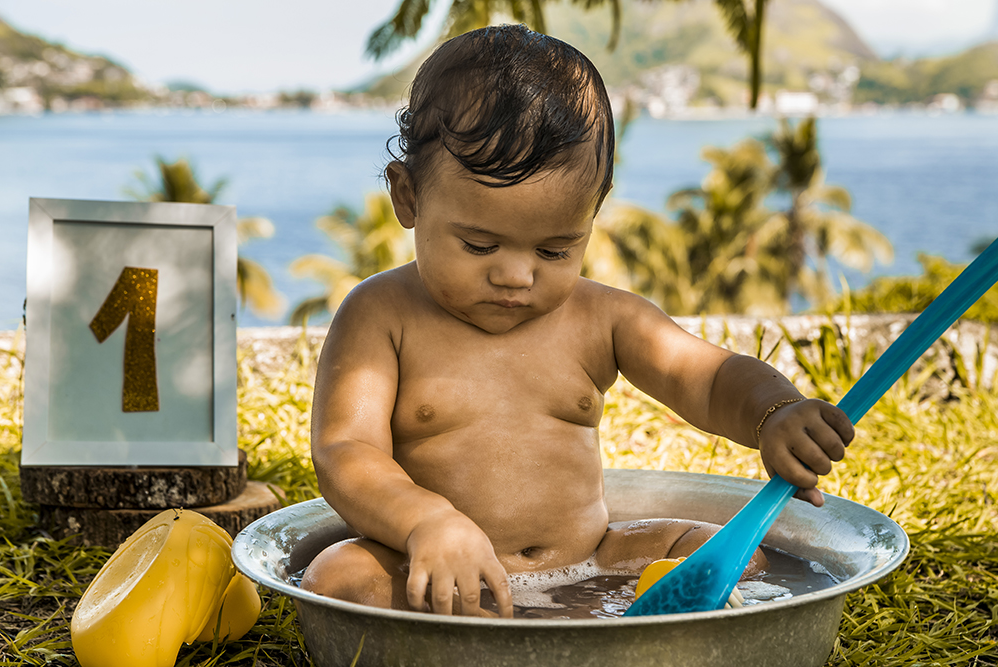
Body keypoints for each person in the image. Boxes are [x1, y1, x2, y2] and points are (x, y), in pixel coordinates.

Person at [301, 24, 854, 619]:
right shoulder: (382, 315)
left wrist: (773, 412)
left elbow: (709, 376)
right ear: (408, 197)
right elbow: (346, 449)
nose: (516, 276)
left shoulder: (602, 317)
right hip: (434, 569)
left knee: (730, 555)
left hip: (592, 561)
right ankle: (485, 629)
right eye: (481, 245)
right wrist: (425, 521)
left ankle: (579, 627)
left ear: (594, 209)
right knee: (338, 575)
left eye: (554, 250)